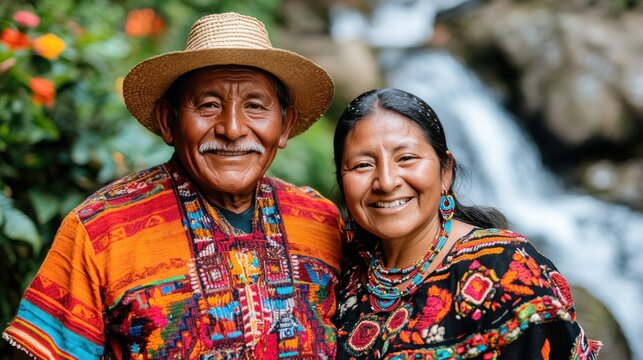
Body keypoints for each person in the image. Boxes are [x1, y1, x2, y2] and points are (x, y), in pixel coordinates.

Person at [3, 12, 343, 359]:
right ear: (169, 121)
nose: (233, 128)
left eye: (255, 106)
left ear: (284, 126)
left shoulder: (323, 222)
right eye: (209, 105)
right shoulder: (98, 228)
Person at [332, 88, 601, 359]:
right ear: (342, 182)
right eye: (362, 165)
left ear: (445, 171)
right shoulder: (338, 274)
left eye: (406, 158)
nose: (387, 181)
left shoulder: (506, 270)